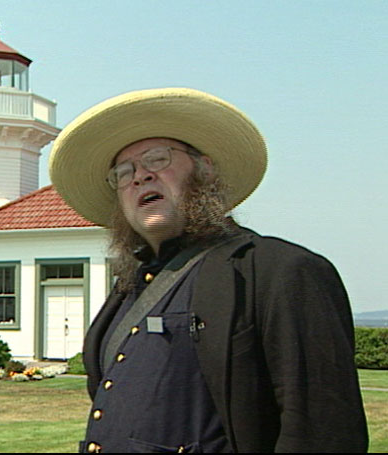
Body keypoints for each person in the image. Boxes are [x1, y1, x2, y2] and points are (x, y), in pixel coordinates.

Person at [48, 87, 368, 453]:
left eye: (157, 159)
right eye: (123, 173)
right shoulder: (128, 288)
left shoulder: (281, 271)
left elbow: (323, 435)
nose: (139, 177)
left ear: (205, 169)